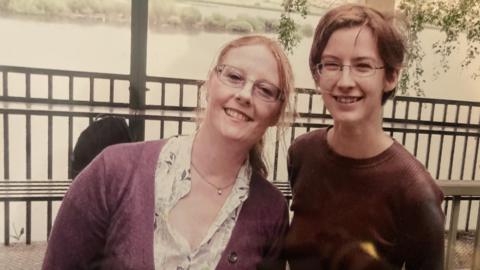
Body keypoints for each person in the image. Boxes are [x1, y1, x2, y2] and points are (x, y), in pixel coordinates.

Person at [42, 35, 294, 270]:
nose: (245, 95)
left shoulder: (271, 211)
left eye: (265, 90)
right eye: (234, 77)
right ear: (209, 84)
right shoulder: (114, 171)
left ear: (276, 114)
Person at [283, 4, 444, 270]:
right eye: (332, 64)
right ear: (317, 75)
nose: (345, 81)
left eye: (363, 66)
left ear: (391, 76)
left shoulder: (414, 191)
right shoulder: (302, 154)